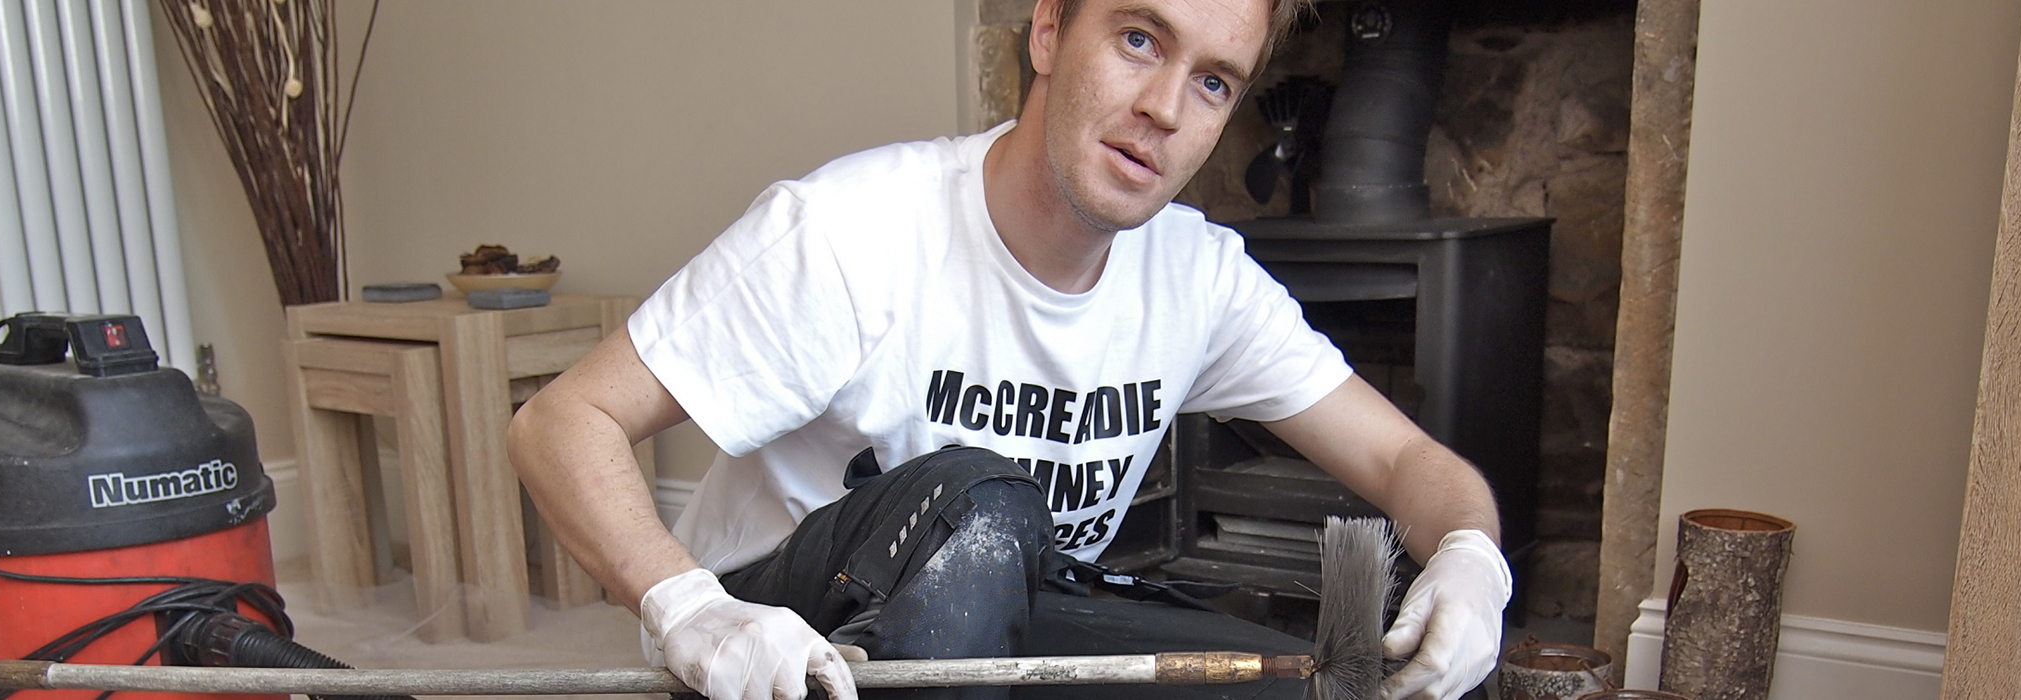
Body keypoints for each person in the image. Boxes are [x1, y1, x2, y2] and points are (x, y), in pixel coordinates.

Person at [507, 0, 1511, 698]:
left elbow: (1405, 462)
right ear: (1046, 31)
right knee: (983, 505)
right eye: (1136, 38)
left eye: (1211, 81)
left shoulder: (1199, 278)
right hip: (778, 649)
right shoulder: (851, 231)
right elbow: (561, 422)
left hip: (1001, 628)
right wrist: (686, 609)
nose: (1164, 107)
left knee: (1318, 688)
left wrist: (1472, 555)